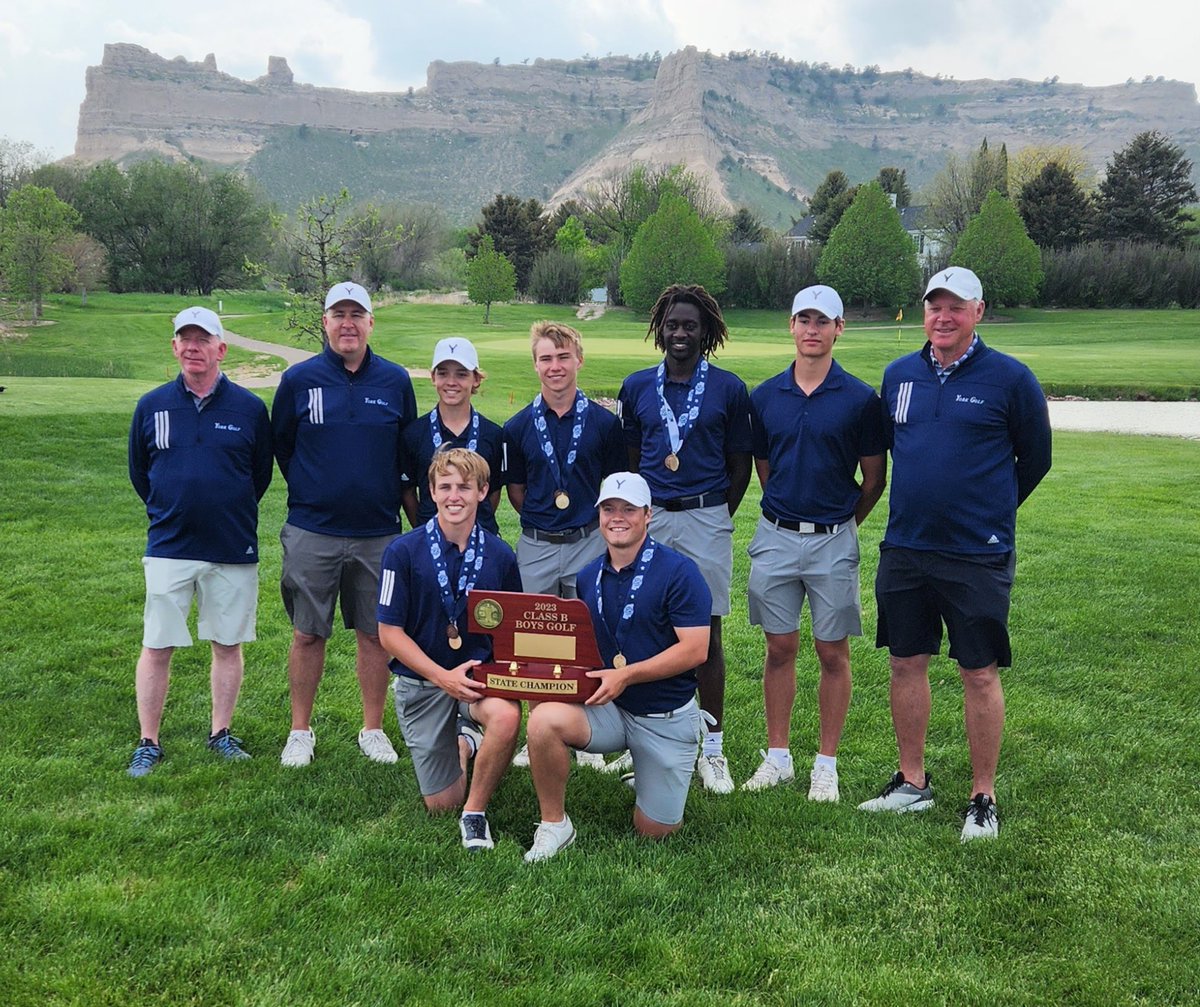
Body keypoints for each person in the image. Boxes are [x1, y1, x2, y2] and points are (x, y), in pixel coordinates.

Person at [860, 266, 1051, 841]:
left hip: (976, 554)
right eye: (934, 306)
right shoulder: (898, 376)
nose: (943, 317)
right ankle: (913, 783)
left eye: (956, 307)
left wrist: (990, 512)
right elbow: (894, 452)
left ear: (978, 312)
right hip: (907, 546)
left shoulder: (1011, 379)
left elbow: (1034, 460)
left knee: (978, 671)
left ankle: (982, 796)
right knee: (905, 661)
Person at [743, 285, 886, 801]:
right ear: (791, 326)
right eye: (803, 319)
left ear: (838, 329)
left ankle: (825, 763)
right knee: (779, 647)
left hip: (832, 541)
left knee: (832, 652)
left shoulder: (860, 399)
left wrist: (842, 524)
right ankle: (777, 756)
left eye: (822, 321)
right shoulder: (764, 397)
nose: (811, 329)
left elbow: (873, 480)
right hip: (776, 536)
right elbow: (765, 468)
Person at [522, 472, 711, 862]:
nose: (617, 517)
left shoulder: (680, 572)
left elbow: (696, 650)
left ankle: (657, 768)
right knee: (542, 721)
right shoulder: (589, 575)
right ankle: (555, 825)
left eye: (629, 509)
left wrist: (627, 674)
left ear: (648, 515)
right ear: (599, 515)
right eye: (609, 509)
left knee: (654, 832)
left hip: (665, 715)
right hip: (611, 708)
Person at [272, 282, 417, 767]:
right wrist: (318, 491)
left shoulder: (395, 381)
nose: (348, 323)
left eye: (358, 314)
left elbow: (405, 455)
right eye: (339, 314)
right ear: (326, 321)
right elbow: (284, 448)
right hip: (313, 529)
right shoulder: (298, 380)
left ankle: (372, 729)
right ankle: (300, 731)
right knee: (307, 633)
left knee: (376, 634)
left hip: (378, 531)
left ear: (371, 322)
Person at [616, 284, 752, 793]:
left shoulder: (728, 389)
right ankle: (646, 745)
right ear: (660, 328)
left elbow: (740, 467)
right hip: (651, 520)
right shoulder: (636, 388)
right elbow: (631, 460)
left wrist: (713, 514)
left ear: (706, 331)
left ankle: (712, 749)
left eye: (690, 325)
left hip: (706, 518)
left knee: (707, 634)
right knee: (646, 631)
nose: (679, 333)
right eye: (672, 324)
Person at [126, 306, 273, 776]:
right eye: (184, 339)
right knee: (157, 644)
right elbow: (140, 473)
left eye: (202, 339)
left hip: (231, 545)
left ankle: (221, 733)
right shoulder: (151, 406)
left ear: (220, 349)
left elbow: (259, 475)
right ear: (174, 347)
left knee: (227, 643)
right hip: (170, 544)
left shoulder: (249, 408)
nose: (193, 347)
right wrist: (170, 508)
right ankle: (149, 740)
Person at [377, 448, 523, 851]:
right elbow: (389, 634)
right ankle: (465, 742)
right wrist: (442, 678)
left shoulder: (499, 554)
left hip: (478, 680)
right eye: (445, 487)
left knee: (507, 717)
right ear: (432, 492)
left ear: (483, 492)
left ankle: (474, 814)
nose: (454, 495)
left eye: (464, 487)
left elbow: (512, 628)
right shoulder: (401, 552)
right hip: (424, 683)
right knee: (442, 803)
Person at [503, 320, 625, 770]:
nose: (555, 367)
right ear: (535, 364)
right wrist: (543, 522)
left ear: (579, 360)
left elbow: (612, 488)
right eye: (545, 359)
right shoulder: (517, 427)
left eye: (563, 357)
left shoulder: (604, 424)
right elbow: (517, 490)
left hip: (587, 542)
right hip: (536, 544)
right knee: (536, 641)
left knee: (586, 636)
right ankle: (541, 728)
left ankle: (585, 728)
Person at [400, 338, 505, 535]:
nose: (451, 382)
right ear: (433, 377)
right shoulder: (413, 433)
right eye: (443, 373)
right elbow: (408, 491)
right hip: (429, 540)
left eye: (461, 374)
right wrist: (425, 530)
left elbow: (493, 492)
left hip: (480, 539)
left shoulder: (493, 434)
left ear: (476, 379)